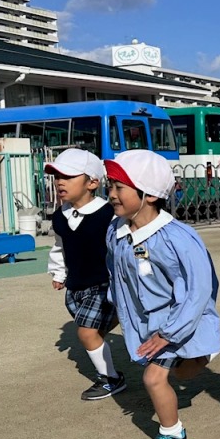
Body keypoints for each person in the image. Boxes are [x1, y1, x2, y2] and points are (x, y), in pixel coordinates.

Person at [105, 149, 220, 439]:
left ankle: (173, 438)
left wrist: (170, 331)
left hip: (181, 320)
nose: (111, 194)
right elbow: (116, 273)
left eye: (120, 187)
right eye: (110, 185)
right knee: (184, 371)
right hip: (152, 323)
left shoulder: (178, 238)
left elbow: (201, 287)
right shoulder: (116, 230)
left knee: (154, 378)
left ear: (151, 194)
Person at [46, 148, 128, 400]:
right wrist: (58, 273)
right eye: (57, 176)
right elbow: (60, 246)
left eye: (68, 176)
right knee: (93, 331)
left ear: (92, 182)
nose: (60, 182)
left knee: (86, 332)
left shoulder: (110, 214)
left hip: (104, 284)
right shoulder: (60, 216)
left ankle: (110, 379)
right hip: (75, 286)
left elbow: (123, 246)